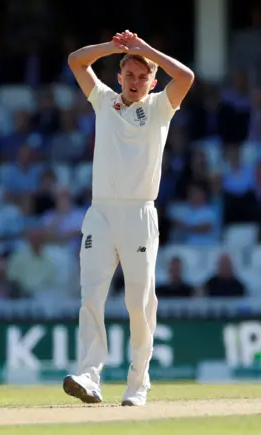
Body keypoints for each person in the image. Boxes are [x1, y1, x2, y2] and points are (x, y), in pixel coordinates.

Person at [62, 30, 194, 406]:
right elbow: (76, 60)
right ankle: (89, 375)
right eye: (129, 75)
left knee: (139, 302)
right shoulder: (104, 100)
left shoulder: (159, 106)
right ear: (119, 77)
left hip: (139, 213)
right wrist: (115, 48)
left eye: (142, 77)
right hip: (100, 211)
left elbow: (185, 77)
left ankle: (138, 384)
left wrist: (146, 50)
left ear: (152, 81)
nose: (135, 83)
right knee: (92, 295)